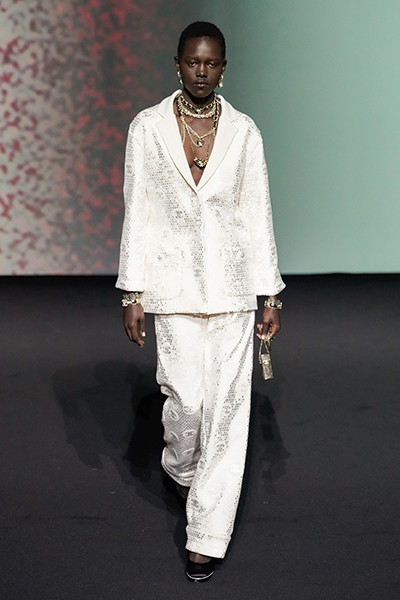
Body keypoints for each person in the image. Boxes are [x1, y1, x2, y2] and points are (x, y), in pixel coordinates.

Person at [116, 21, 285, 582]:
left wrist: (269, 292)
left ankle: (207, 535)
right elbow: (139, 210)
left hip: (233, 287)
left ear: (224, 68)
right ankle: (180, 466)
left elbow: (257, 211)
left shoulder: (244, 132)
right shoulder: (148, 128)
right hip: (173, 285)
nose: (202, 71)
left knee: (228, 412)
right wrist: (132, 290)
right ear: (177, 63)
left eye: (212, 63)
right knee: (187, 402)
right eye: (193, 62)